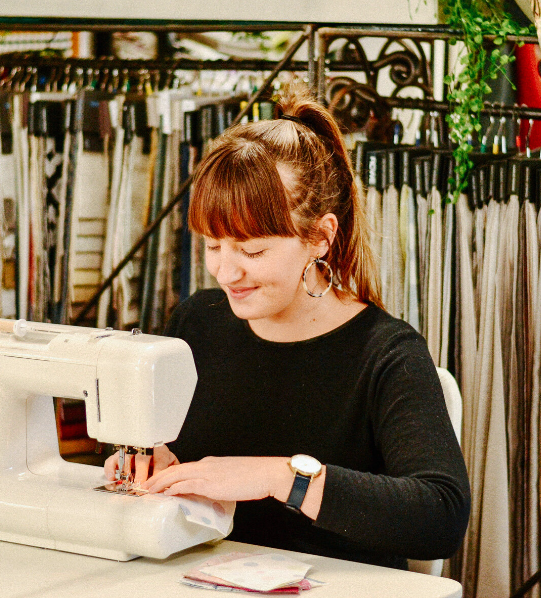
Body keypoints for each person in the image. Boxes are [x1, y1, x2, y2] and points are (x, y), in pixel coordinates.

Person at [105, 83, 470, 570]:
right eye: (214, 245)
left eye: (252, 251)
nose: (225, 271)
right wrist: (152, 464)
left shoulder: (387, 354)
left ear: (320, 237)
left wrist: (284, 478)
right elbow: (168, 455)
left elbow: (441, 517)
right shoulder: (197, 322)